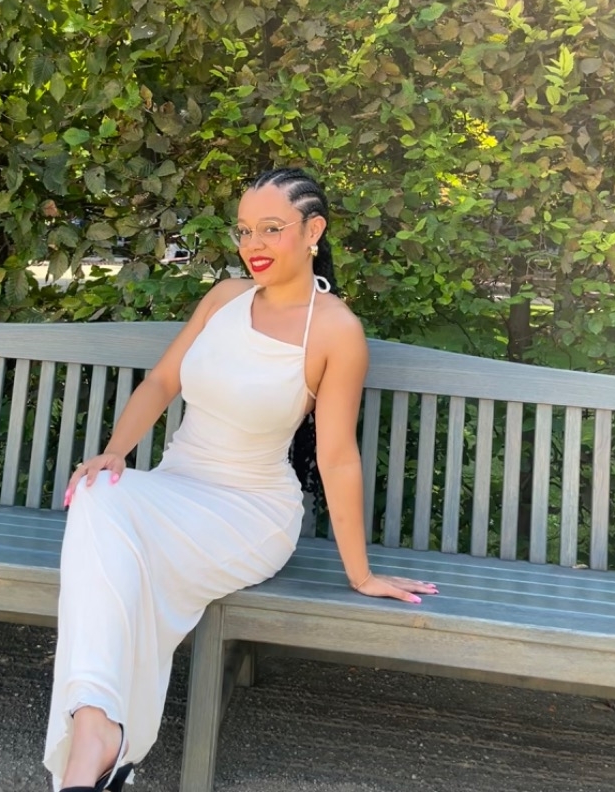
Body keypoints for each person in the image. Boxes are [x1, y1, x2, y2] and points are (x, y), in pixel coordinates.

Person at [45, 167, 438, 791]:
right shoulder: (224, 299)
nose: (253, 244)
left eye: (272, 229)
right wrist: (115, 453)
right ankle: (98, 726)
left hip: (250, 512)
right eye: (245, 230)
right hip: (176, 486)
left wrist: (361, 574)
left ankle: (91, 745)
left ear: (313, 231)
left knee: (112, 555)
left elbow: (337, 457)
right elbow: (162, 381)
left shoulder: (336, 330)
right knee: (95, 492)